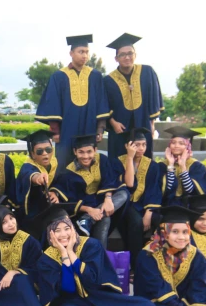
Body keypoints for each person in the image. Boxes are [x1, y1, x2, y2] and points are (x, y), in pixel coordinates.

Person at [36, 205, 158, 306]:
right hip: (73, 303)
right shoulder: (46, 259)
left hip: (100, 296)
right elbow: (68, 289)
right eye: (57, 230)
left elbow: (92, 280)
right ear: (50, 235)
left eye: (67, 228)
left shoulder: (91, 245)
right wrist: (64, 255)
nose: (64, 234)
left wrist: (72, 253)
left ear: (73, 229)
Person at [35, 34, 110, 171]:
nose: (84, 55)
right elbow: (53, 104)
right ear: (71, 53)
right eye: (81, 52)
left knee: (88, 161)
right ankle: (61, 191)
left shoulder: (95, 76)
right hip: (66, 131)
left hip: (89, 127)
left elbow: (101, 103)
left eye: (87, 52)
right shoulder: (59, 76)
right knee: (64, 163)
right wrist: (55, 132)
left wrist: (100, 129)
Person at [51, 134, 127, 248]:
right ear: (75, 152)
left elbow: (110, 179)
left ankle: (87, 221)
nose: (86, 156)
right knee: (105, 219)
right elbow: (68, 202)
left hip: (103, 203)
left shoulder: (102, 160)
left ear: (95, 150)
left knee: (124, 193)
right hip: (84, 209)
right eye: (81, 152)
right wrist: (89, 210)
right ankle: (100, 257)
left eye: (89, 152)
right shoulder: (68, 173)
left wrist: (108, 198)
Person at [103, 33, 163, 160]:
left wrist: (152, 124)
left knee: (144, 159)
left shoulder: (147, 72)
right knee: (118, 160)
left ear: (135, 55)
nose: (127, 57)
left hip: (143, 125)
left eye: (130, 53)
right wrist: (113, 123)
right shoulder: (108, 80)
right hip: (120, 129)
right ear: (116, 58)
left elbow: (154, 99)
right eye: (122, 55)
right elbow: (103, 104)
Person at [111, 127, 163, 273]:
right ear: (128, 146)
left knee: (158, 220)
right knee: (135, 222)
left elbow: (154, 189)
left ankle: (158, 262)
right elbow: (129, 184)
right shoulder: (118, 162)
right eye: (137, 145)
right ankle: (135, 266)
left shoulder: (152, 165)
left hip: (143, 204)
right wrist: (129, 157)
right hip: (124, 204)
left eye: (144, 145)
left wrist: (149, 211)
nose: (141, 148)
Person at [16, 130, 72, 231]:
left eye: (48, 149)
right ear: (32, 154)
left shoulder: (56, 163)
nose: (45, 154)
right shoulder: (28, 166)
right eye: (39, 151)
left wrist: (55, 192)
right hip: (34, 213)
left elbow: (61, 181)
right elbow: (29, 175)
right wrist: (37, 178)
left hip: (51, 208)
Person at [161, 126, 206, 207]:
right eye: (173, 143)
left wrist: (183, 166)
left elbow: (190, 190)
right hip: (167, 207)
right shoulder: (162, 165)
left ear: (188, 147)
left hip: (190, 207)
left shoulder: (197, 167)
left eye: (181, 143)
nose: (176, 146)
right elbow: (168, 189)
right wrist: (170, 165)